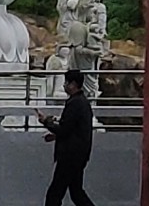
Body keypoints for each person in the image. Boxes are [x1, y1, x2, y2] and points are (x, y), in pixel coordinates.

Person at [38, 67, 96, 206]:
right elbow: (73, 129)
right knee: (76, 192)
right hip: (79, 154)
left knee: (55, 193)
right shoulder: (82, 102)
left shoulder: (74, 103)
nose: (64, 86)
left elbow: (65, 129)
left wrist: (46, 122)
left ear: (73, 84)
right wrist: (55, 135)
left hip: (69, 156)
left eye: (66, 82)